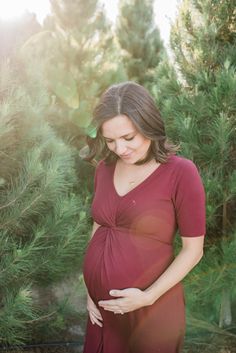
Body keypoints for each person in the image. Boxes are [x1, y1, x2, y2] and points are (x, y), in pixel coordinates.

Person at [82, 81, 206, 353]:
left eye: (128, 138)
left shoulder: (181, 173)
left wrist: (147, 297)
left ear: (149, 126)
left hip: (151, 312)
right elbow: (100, 225)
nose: (120, 148)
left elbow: (193, 250)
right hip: (103, 311)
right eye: (110, 140)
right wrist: (90, 290)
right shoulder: (104, 168)